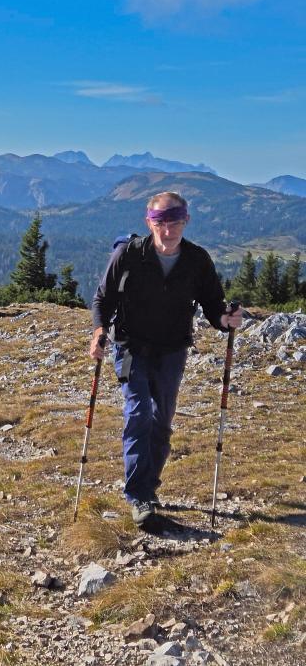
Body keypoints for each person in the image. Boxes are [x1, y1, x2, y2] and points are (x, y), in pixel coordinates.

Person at [90, 192, 242, 525]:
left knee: (162, 422)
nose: (167, 228)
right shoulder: (128, 255)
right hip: (131, 346)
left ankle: (149, 485)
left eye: (174, 220)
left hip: (172, 349)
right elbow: (103, 299)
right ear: (149, 222)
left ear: (185, 221)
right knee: (139, 411)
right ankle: (138, 495)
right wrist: (99, 331)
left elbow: (213, 304)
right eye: (160, 221)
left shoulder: (197, 261)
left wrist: (225, 321)